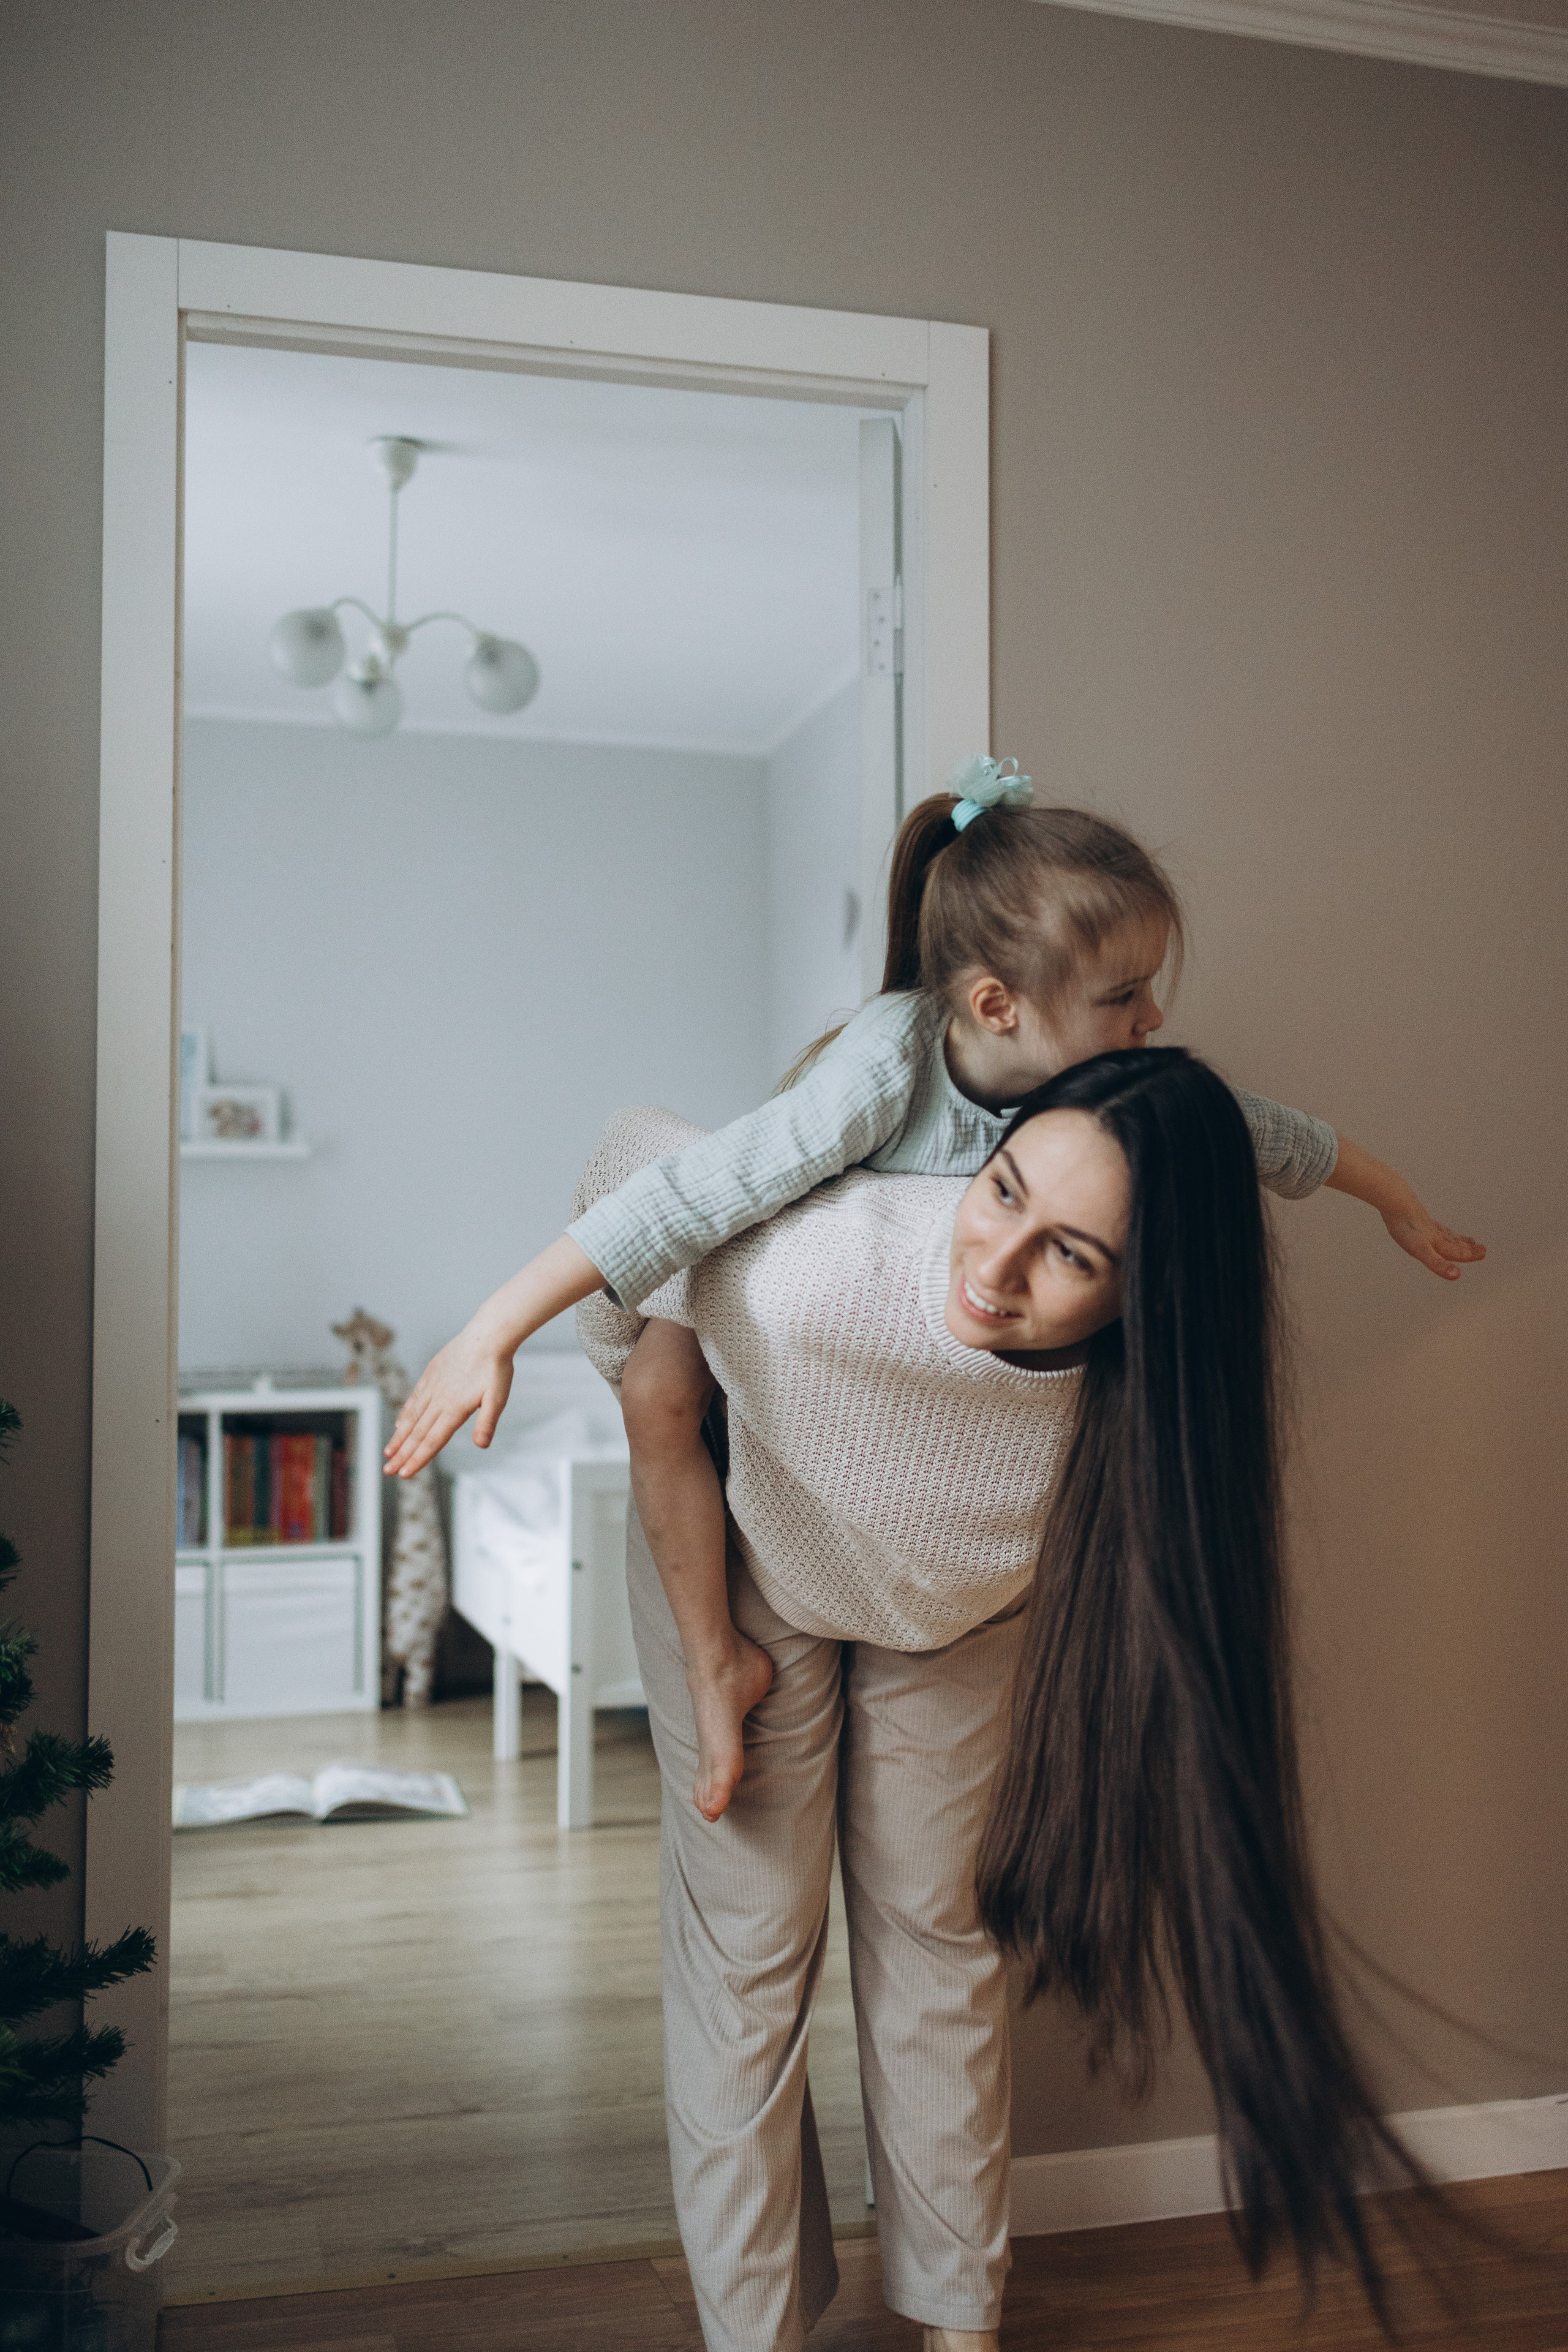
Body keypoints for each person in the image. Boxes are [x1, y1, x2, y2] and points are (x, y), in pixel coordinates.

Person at [385, 759, 1483, 1826]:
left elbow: (1271, 1135)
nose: (1153, 1017)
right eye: (1125, 994)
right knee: (658, 1396)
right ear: (999, 1005)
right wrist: (496, 1328)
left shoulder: (1105, 1092)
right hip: (758, 1295)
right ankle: (716, 1661)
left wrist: (1401, 1205)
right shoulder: (883, 1069)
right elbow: (686, 1194)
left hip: (899, 1433)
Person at [566, 1050, 1440, 2352]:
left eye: (1073, 1257)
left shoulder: (1152, 1418)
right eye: (1001, 1191)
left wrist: (1395, 1197)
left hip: (957, 1607)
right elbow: (637, 1162)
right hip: (748, 1556)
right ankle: (753, 2336)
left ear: (1152, 1296)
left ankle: (961, 2323)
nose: (996, 1265)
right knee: (749, 1957)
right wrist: (577, 1348)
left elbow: (1278, 1140)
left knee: (940, 1937)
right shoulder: (826, 1264)